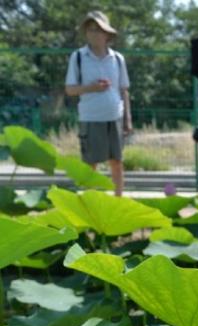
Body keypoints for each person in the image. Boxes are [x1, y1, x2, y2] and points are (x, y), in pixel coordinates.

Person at [64, 11, 132, 196]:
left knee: (116, 163)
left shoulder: (118, 59)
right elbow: (70, 90)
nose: (94, 33)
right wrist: (91, 88)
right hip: (91, 117)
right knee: (90, 166)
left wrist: (128, 119)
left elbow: (123, 90)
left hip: (115, 117)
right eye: (90, 29)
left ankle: (118, 203)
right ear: (86, 33)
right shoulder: (78, 57)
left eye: (99, 29)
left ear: (107, 34)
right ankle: (90, 206)